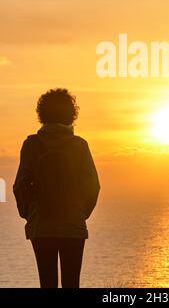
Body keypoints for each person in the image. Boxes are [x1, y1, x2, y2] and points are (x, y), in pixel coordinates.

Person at [13, 88, 100, 288]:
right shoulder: (79, 145)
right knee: (72, 283)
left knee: (47, 283)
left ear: (42, 113)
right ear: (71, 113)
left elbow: (20, 185)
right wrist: (79, 214)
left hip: (41, 226)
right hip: (73, 225)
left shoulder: (32, 144)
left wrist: (31, 214)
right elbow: (93, 186)